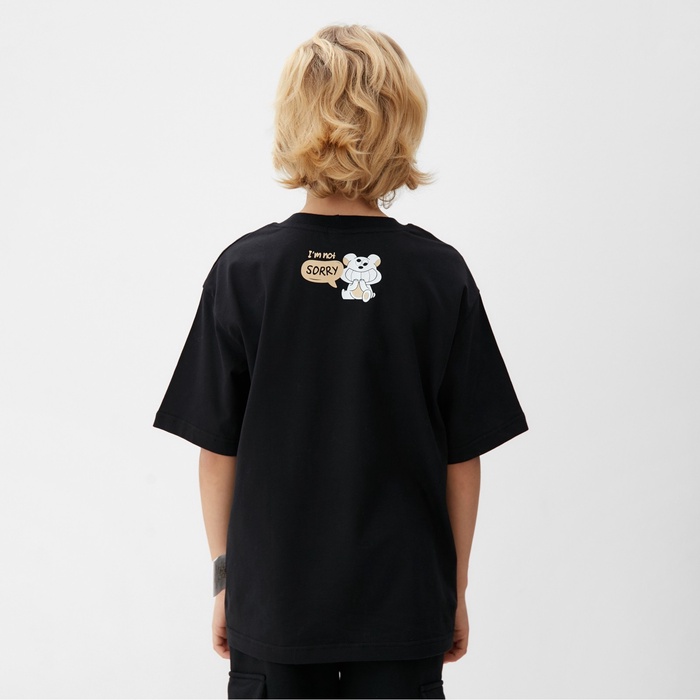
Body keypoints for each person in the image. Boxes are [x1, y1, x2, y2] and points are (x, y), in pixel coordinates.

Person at [153, 23, 528, 700]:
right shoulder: (439, 274)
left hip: (274, 608)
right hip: (404, 606)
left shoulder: (245, 271)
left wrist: (225, 583)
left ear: (292, 122)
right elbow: (462, 458)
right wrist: (455, 587)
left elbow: (216, 452)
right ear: (402, 124)